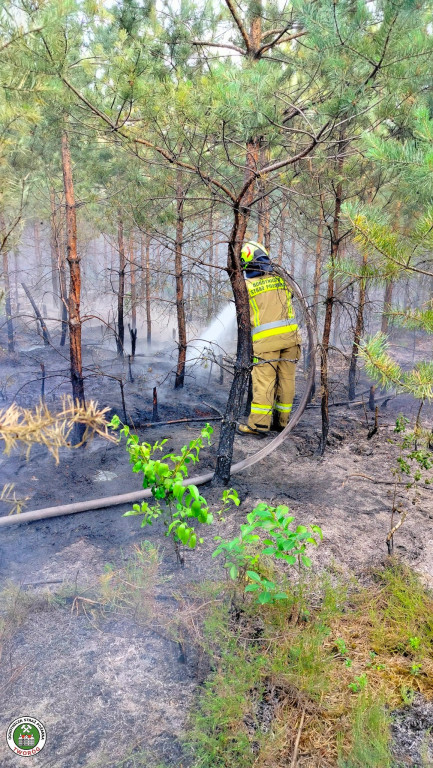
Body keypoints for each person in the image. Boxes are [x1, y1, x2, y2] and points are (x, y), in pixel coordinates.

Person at [237, 240, 301, 436]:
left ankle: (258, 425)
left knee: (264, 382)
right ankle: (282, 422)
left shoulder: (247, 285)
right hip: (291, 339)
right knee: (287, 380)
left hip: (266, 343)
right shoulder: (282, 279)